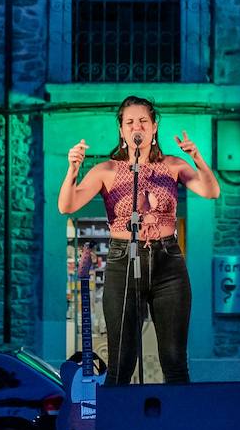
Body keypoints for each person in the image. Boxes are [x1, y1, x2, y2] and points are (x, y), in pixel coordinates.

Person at [57, 95, 221, 385]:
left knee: (174, 359)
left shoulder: (173, 165)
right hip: (124, 260)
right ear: (121, 130)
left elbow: (211, 191)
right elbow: (66, 206)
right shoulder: (106, 170)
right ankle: (116, 428)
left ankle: (176, 428)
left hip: (167, 260)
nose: (137, 127)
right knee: (121, 360)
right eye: (130, 122)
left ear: (154, 127)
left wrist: (197, 158)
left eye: (144, 121)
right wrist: (72, 170)